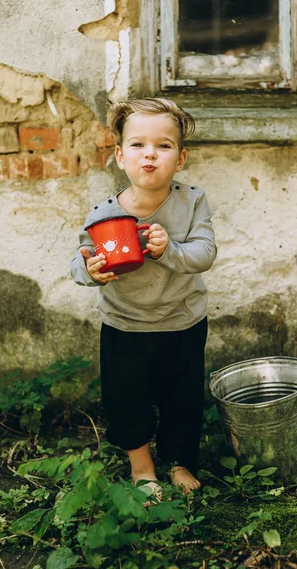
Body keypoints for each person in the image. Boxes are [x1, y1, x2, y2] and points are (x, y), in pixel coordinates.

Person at [71, 98, 217, 497]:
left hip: (183, 321)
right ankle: (142, 467)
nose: (150, 153)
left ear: (181, 158)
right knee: (127, 399)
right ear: (120, 156)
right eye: (137, 145)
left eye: (164, 145)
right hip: (125, 324)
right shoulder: (103, 216)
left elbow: (205, 254)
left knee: (182, 400)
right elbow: (78, 263)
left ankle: (180, 462)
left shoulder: (191, 202)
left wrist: (168, 249)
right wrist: (91, 271)